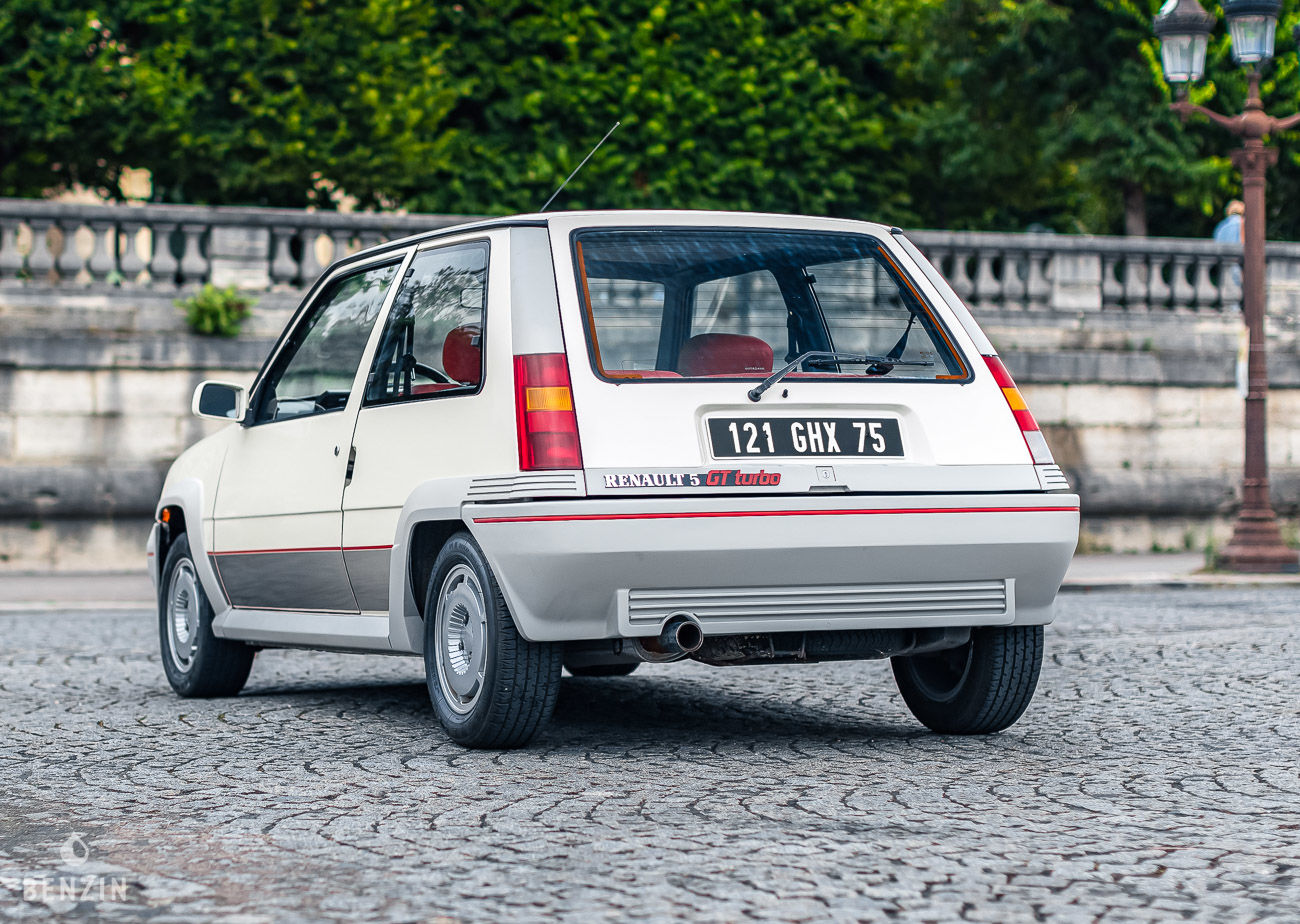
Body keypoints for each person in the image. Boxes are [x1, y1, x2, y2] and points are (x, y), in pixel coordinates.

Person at [1213, 200, 1244, 295]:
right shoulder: (1244, 224)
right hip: (1239, 263)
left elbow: (1215, 245)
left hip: (1224, 263)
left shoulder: (1221, 227)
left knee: (1227, 294)